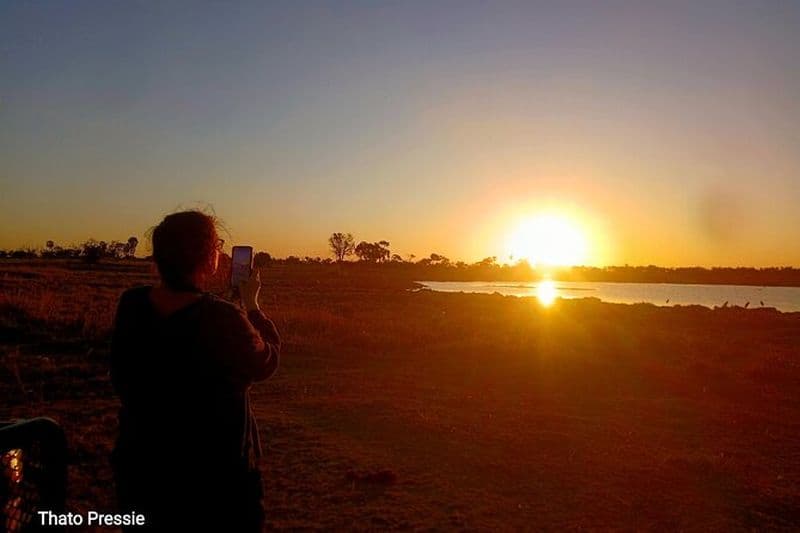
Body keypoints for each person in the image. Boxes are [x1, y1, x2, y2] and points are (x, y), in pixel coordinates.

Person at [109, 210, 280, 532]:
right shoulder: (223, 318)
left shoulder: (131, 305)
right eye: (217, 245)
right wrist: (253, 307)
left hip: (142, 468)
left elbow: (122, 376)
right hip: (215, 480)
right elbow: (266, 361)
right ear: (208, 257)